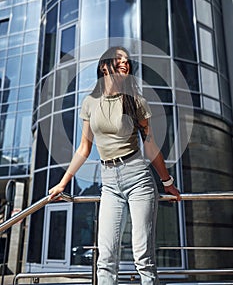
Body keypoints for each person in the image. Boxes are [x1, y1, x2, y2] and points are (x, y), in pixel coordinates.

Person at [49, 46, 181, 285]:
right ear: (104, 66)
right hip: (109, 183)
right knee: (106, 258)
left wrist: (167, 182)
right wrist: (62, 183)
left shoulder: (136, 101)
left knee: (144, 258)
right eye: (119, 58)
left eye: (128, 60)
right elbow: (83, 149)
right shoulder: (89, 103)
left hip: (138, 177)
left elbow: (150, 146)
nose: (125, 62)